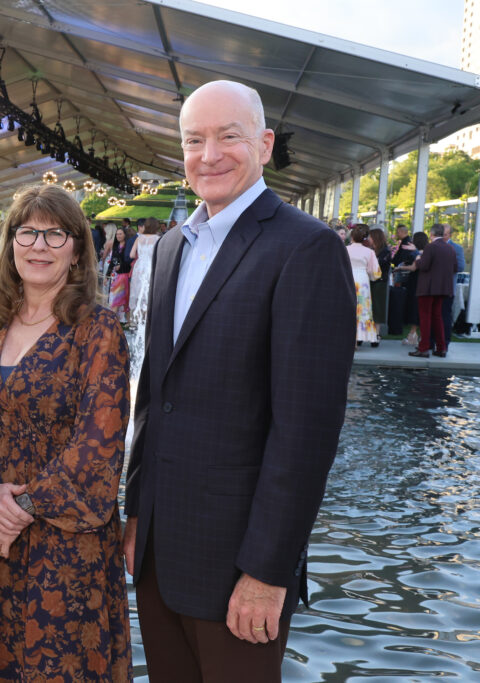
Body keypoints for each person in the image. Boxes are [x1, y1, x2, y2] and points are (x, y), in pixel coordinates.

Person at [123, 80, 355, 682]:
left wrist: (268, 571)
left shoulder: (306, 248)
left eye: (229, 136)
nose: (210, 154)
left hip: (238, 565)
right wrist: (135, 512)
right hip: (158, 551)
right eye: (194, 140)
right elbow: (154, 393)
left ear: (264, 143)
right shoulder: (172, 245)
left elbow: (305, 433)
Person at [0, 184, 131, 682]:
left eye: (56, 235)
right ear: (10, 244)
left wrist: (21, 509)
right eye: (28, 232)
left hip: (68, 544)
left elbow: (98, 443)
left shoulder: (98, 330)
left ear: (77, 251)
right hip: (1, 537)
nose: (39, 246)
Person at [409, 223, 458, 358]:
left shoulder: (430, 247)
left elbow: (424, 266)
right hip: (443, 288)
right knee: (438, 317)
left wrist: (418, 259)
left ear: (431, 234)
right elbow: (455, 267)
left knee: (425, 317)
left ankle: (423, 348)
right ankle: (442, 348)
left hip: (428, 288)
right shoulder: (450, 249)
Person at [128, 217, 160, 370]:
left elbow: (132, 255)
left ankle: (136, 320)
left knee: (137, 294)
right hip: (152, 267)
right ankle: (146, 321)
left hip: (139, 267)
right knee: (148, 293)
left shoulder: (139, 239)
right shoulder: (158, 239)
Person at [347, 224, 381, 348]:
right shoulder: (369, 252)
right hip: (362, 280)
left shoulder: (345, 249)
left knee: (348, 308)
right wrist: (370, 276)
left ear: (352, 236)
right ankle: (358, 337)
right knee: (362, 309)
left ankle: (349, 338)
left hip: (348, 278)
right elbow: (375, 272)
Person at [442, 224, 465, 346]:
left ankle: (445, 342)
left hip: (448, 287)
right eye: (441, 234)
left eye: (445, 235)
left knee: (445, 316)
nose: (443, 237)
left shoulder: (457, 248)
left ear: (450, 235)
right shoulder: (433, 246)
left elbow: (461, 267)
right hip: (434, 288)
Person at [106, 226, 133, 323]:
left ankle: (116, 322)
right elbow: (112, 261)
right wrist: (107, 276)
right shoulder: (116, 246)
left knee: (123, 300)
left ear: (125, 235)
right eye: (117, 234)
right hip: (118, 276)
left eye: (120, 234)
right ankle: (117, 322)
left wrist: (120, 266)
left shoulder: (128, 246)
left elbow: (130, 260)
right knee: (118, 299)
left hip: (125, 276)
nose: (118, 236)